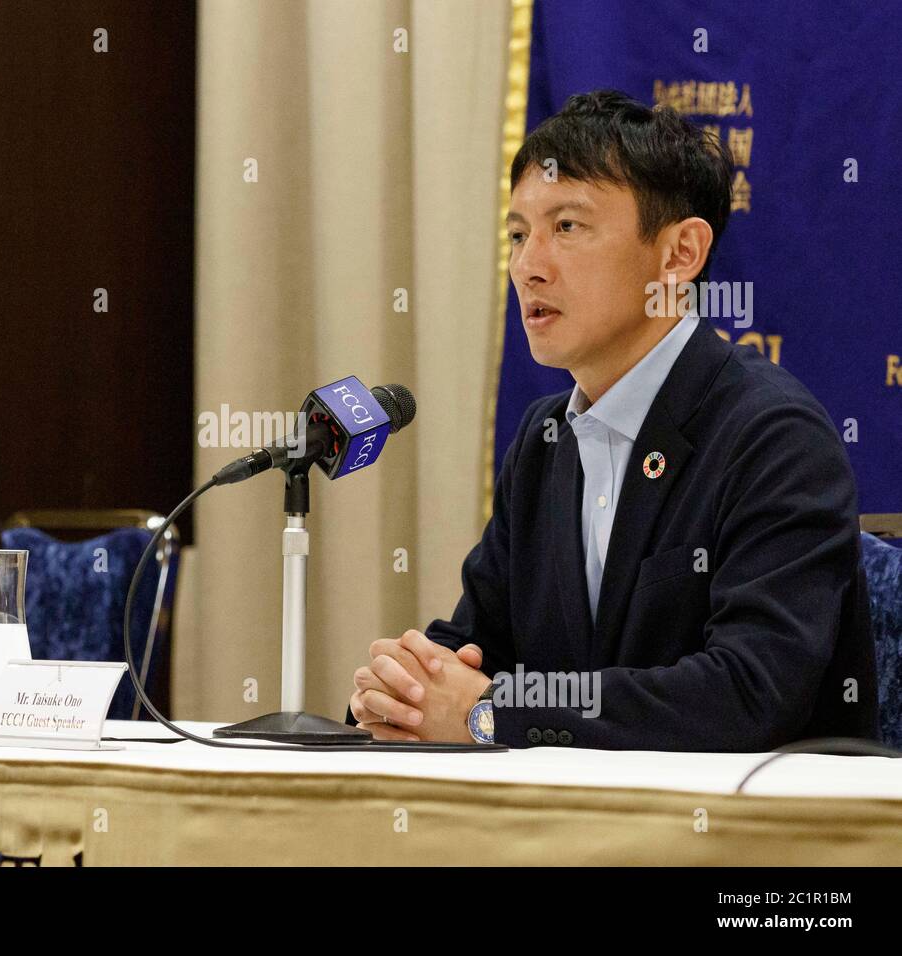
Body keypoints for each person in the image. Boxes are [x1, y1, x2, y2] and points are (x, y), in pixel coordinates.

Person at [349, 90, 878, 750]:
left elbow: (749, 692)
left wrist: (492, 713)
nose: (527, 266)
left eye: (567, 228)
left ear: (679, 254)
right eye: (518, 234)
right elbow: (476, 649)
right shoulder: (545, 441)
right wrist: (401, 691)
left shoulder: (774, 437)